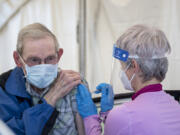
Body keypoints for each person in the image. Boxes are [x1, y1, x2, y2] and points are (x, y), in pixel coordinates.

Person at [76, 24, 180, 135]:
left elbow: (128, 123)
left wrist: (90, 117)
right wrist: (108, 115)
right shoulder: (175, 106)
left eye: (123, 66)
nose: (122, 71)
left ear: (134, 66)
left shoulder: (123, 115)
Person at [0, 23, 86, 135]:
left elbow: (85, 129)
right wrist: (50, 99)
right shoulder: (4, 88)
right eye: (34, 60)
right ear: (18, 59)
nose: (43, 66)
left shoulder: (71, 83)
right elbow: (11, 132)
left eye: (50, 58)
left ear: (59, 55)